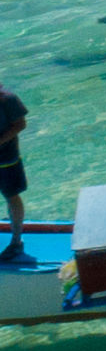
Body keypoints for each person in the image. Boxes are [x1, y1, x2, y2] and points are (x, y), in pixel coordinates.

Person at [0, 74, 29, 264]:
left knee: (11, 196)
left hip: (6, 159)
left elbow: (20, 124)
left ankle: (16, 240)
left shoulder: (8, 99)